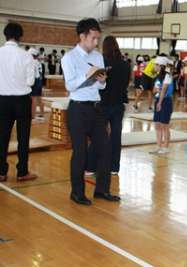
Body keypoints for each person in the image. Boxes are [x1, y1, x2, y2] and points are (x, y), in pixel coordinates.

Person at [61, 18, 120, 205]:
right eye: (93, 38)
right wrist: (86, 75)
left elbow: (101, 87)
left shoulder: (97, 57)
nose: (96, 43)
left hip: (96, 108)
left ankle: (102, 190)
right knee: (81, 153)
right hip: (78, 109)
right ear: (82, 36)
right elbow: (70, 85)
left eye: (98, 39)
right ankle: (77, 193)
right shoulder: (69, 58)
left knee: (105, 150)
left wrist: (102, 80)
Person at [86, 35, 130, 176]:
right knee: (116, 136)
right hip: (118, 104)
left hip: (103, 104)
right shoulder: (126, 64)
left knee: (98, 135)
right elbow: (126, 84)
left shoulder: (101, 63)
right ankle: (114, 168)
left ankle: (91, 167)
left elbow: (94, 84)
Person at [0, 22, 37, 182]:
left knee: (2, 137)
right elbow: (30, 82)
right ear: (20, 37)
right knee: (23, 137)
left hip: (2, 100)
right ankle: (22, 172)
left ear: (5, 35)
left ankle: (1, 172)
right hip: (21, 101)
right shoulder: (26, 55)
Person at [150, 57, 174, 154]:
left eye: (156, 65)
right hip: (158, 100)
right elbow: (154, 90)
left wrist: (159, 103)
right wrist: (157, 92)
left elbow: (163, 90)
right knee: (157, 125)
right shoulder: (157, 77)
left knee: (165, 125)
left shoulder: (167, 76)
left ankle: (165, 147)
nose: (154, 66)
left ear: (160, 66)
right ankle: (158, 146)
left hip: (166, 102)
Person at [28, 48, 45, 121]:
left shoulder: (32, 62)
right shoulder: (38, 62)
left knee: (33, 99)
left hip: (34, 81)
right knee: (39, 98)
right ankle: (42, 113)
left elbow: (31, 74)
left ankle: (32, 115)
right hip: (39, 81)